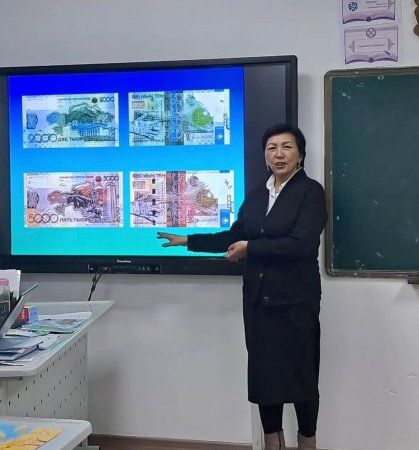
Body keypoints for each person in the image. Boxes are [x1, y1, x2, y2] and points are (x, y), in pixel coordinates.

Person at [157, 124, 327, 450]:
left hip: (295, 303)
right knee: (265, 380)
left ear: (300, 156)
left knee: (302, 378)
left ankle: (307, 441)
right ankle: (272, 442)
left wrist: (251, 248)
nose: (279, 154)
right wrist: (189, 240)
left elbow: (301, 244)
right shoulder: (258, 195)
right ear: (265, 157)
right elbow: (235, 235)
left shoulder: (310, 192)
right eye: (272, 148)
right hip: (259, 302)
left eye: (287, 147)